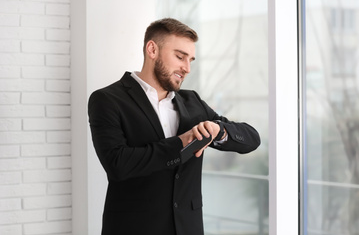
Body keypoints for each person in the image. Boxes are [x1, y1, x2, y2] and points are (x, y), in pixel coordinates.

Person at [88, 18, 261, 235]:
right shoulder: (107, 100)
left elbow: (252, 139)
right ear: (152, 49)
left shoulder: (193, 102)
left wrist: (219, 130)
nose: (187, 68)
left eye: (191, 60)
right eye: (180, 57)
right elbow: (117, 164)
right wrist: (182, 142)